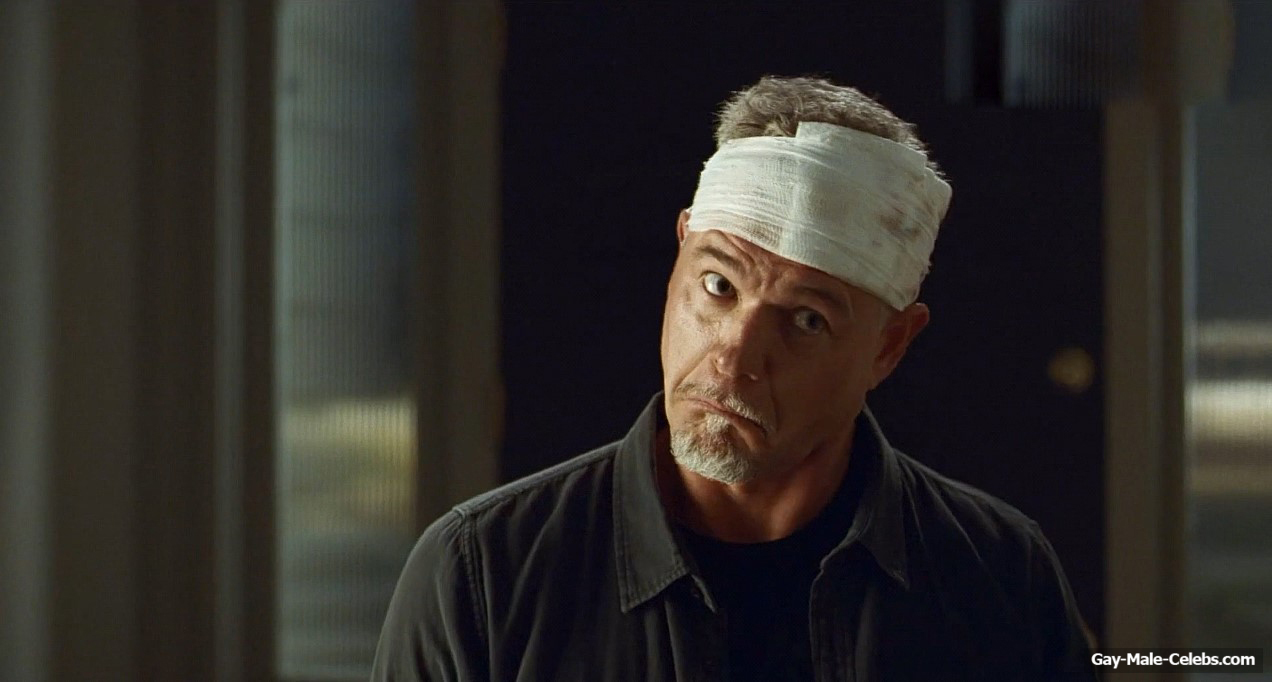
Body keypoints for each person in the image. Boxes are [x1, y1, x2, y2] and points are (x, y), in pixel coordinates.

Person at [371, 76, 1096, 681]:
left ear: (889, 347)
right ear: (679, 254)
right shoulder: (484, 578)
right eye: (718, 286)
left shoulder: (998, 578)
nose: (735, 356)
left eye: (806, 320)